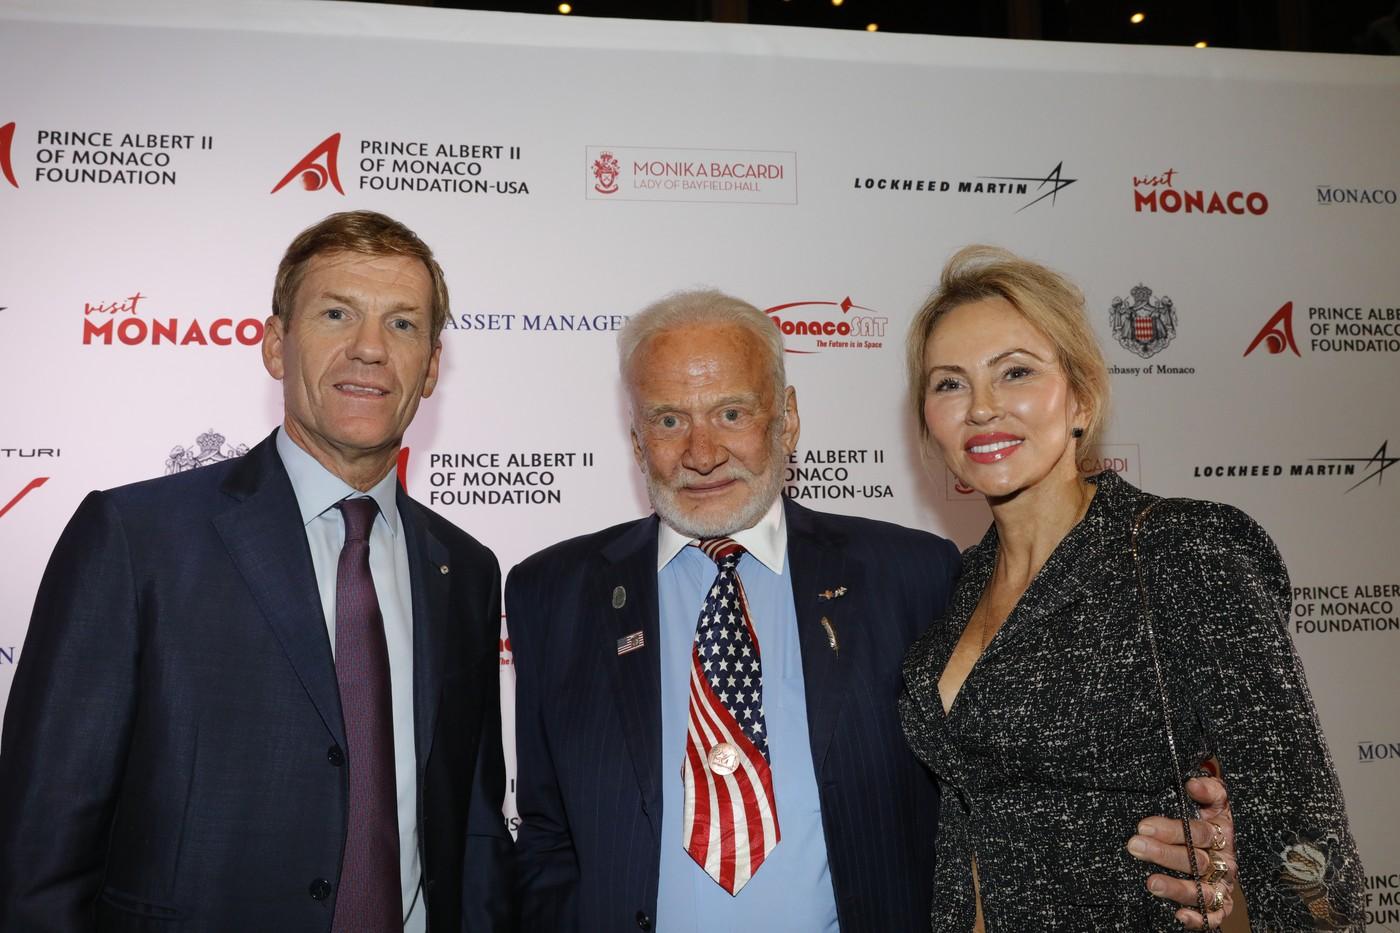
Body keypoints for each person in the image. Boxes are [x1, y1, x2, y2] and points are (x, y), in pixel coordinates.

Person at [507, 288, 1235, 932]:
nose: (702, 452)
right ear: (637, 438)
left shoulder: (913, 574)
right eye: (669, 420)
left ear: (787, 420)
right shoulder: (552, 592)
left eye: (732, 412)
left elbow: (1017, 768)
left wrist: (1194, 821)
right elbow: (547, 832)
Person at [0, 211, 513, 932]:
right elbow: (42, 849)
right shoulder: (135, 539)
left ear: (431, 367)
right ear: (276, 345)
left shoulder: (465, 568)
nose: (370, 348)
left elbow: (476, 832)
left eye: (402, 324)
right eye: (336, 314)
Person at [899, 245, 1365, 931]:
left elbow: (1304, 829)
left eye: (1015, 372)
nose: (982, 408)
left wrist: (1261, 901)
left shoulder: (1179, 548)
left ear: (1081, 397)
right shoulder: (965, 579)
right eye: (949, 384)